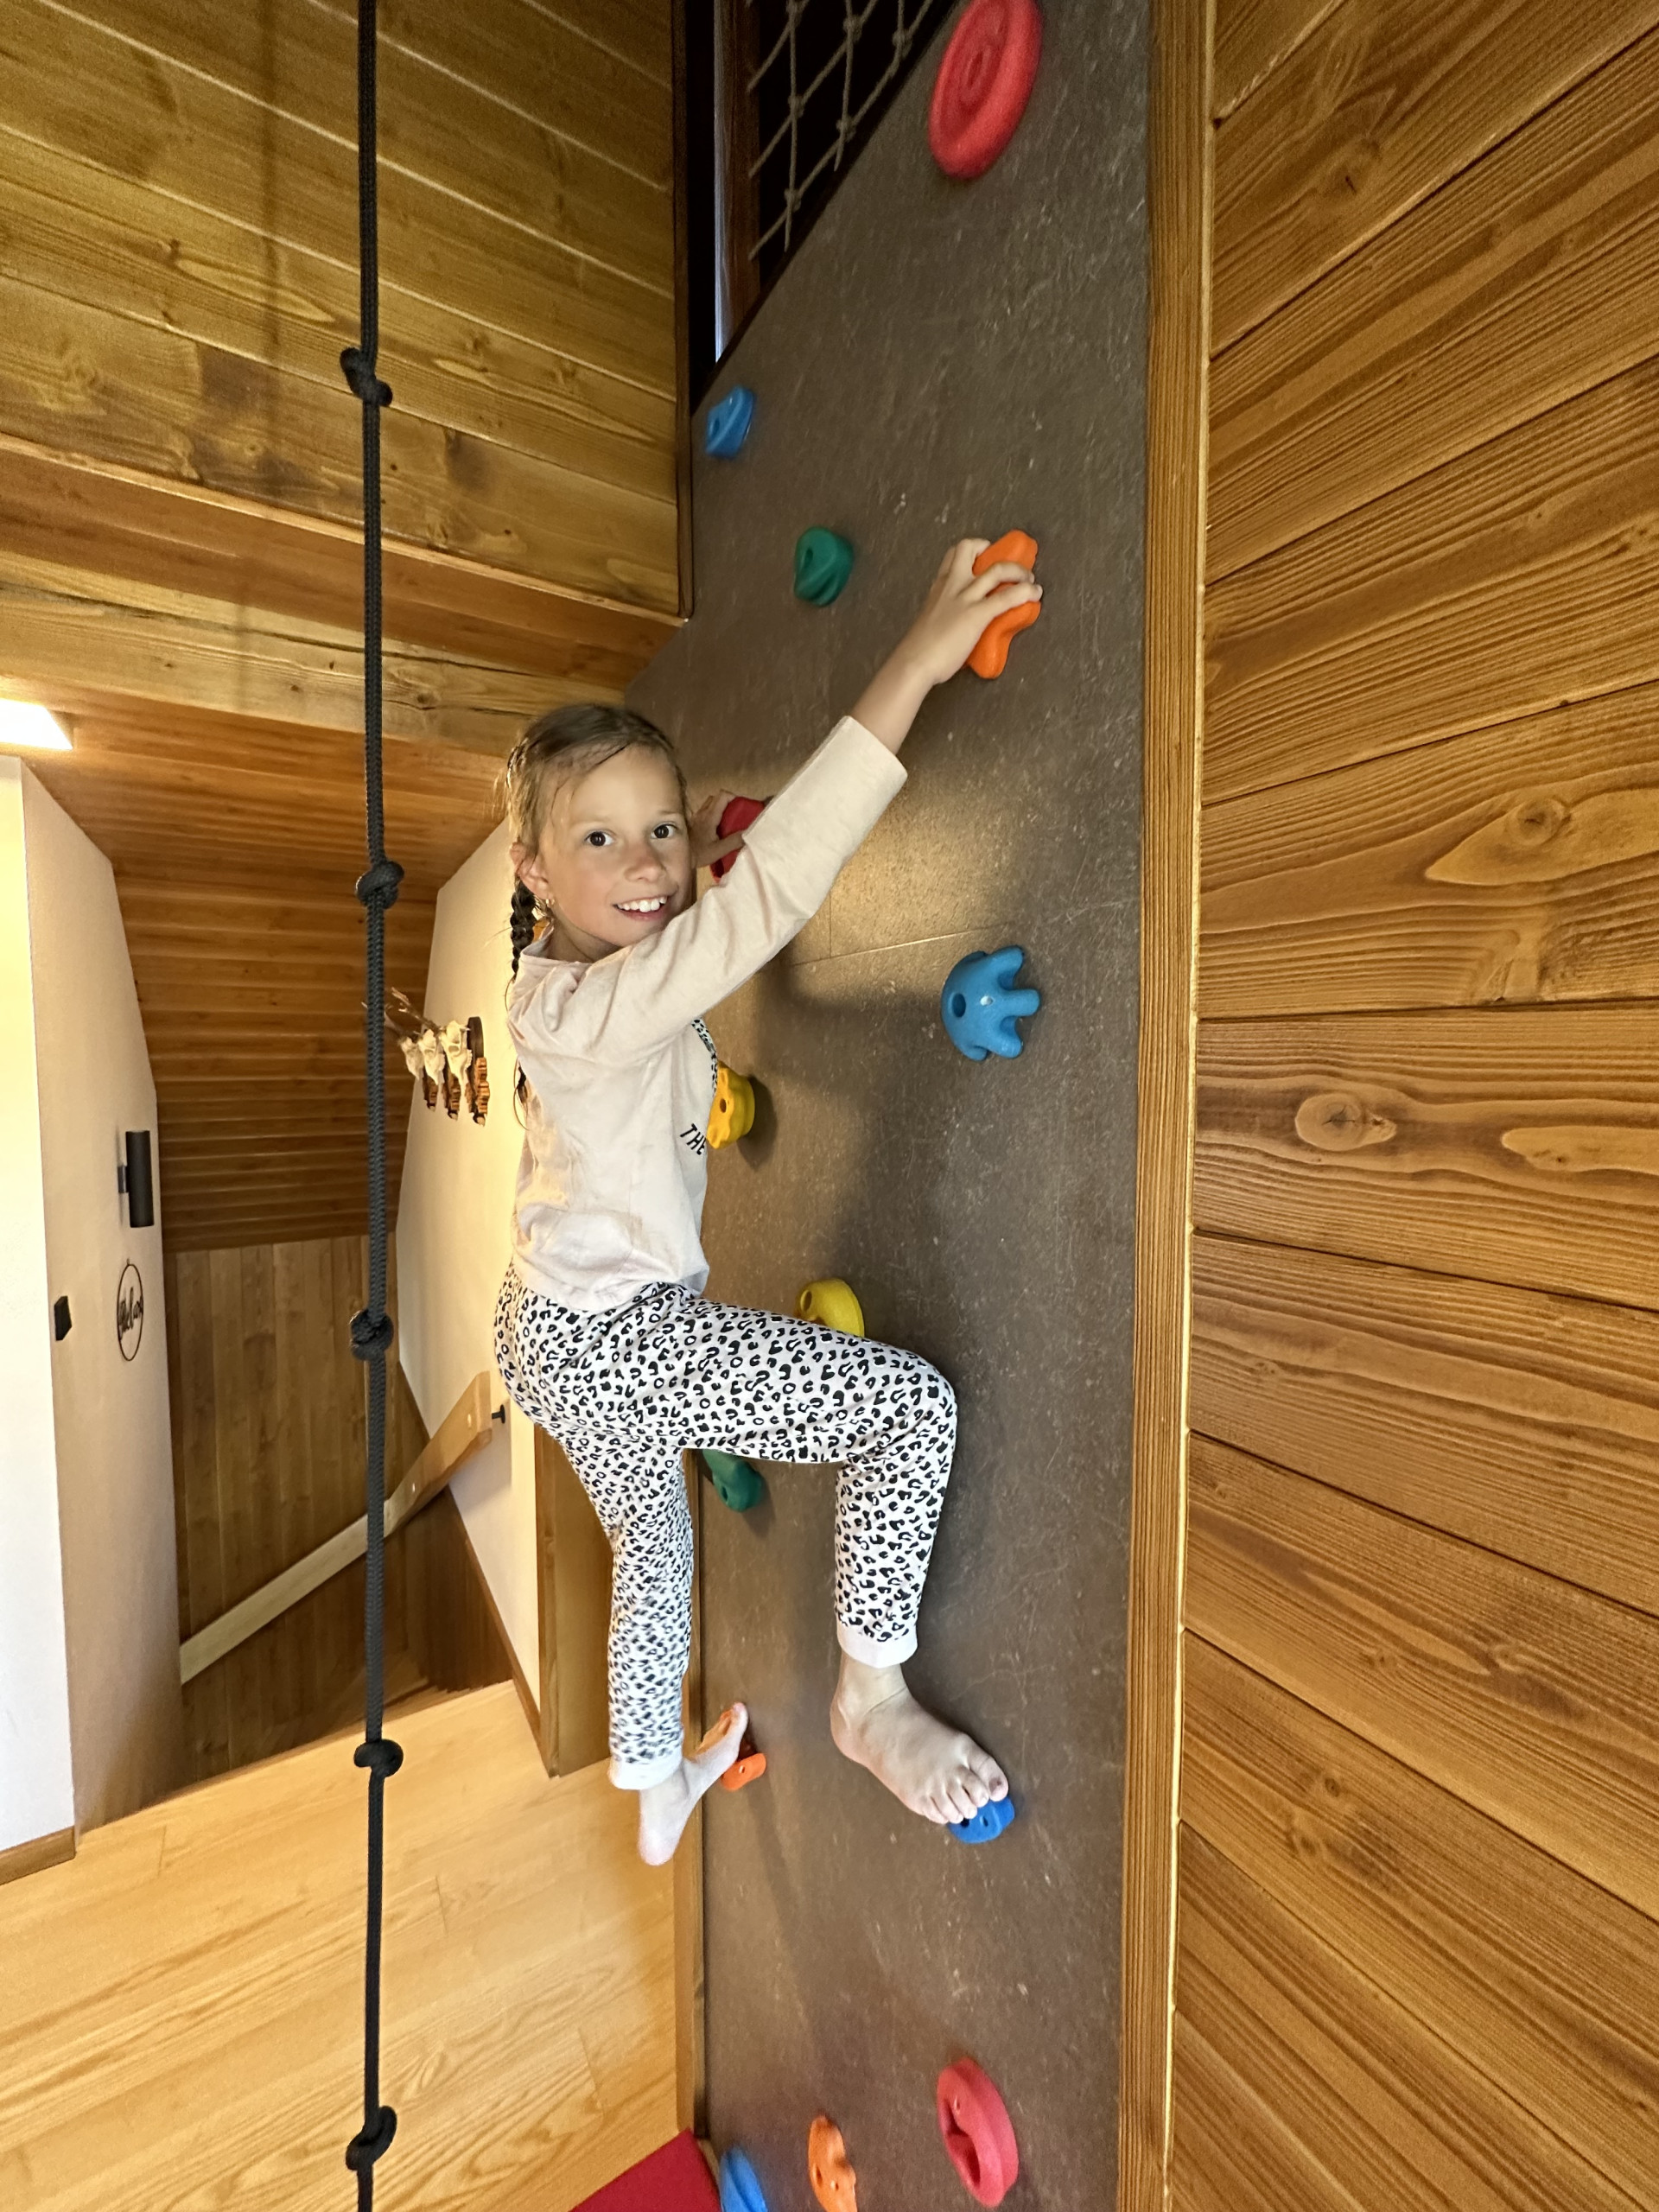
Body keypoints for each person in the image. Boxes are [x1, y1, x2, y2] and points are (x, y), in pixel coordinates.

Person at [493, 539, 1039, 1865]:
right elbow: (766, 904)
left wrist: (710, 845)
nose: (646, 864)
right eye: (599, 837)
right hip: (613, 1338)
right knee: (904, 1415)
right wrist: (917, 661)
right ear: (532, 869)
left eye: (661, 828)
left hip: (546, 1329)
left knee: (653, 1544)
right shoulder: (595, 1011)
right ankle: (870, 1701)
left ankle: (650, 1780)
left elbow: (700, 906)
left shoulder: (557, 980)